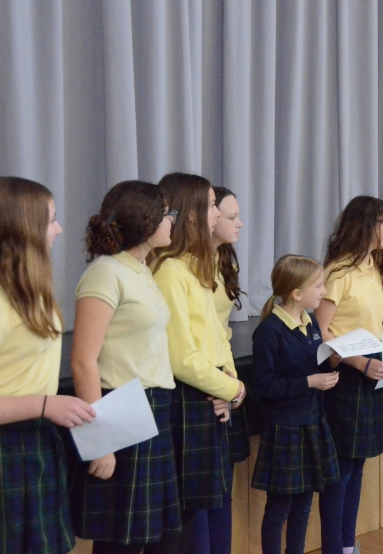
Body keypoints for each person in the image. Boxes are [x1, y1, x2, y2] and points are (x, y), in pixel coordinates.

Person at [0, 176, 95, 553]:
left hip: (33, 442)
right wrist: (44, 404)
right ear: (24, 228)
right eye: (52, 219)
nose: (59, 229)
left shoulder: (27, 292)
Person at [69, 180, 182, 553]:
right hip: (123, 409)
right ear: (146, 219)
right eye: (168, 214)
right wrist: (100, 441)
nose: (172, 221)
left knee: (152, 538)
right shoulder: (106, 272)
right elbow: (84, 361)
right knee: (122, 542)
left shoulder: (140, 268)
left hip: (154, 408)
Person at [313, 195, 383, 554]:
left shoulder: (375, 268)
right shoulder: (338, 272)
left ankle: (347, 544)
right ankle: (335, 547)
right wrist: (360, 363)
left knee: (357, 466)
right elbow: (323, 331)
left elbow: (375, 326)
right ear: (367, 225)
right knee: (342, 469)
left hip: (372, 374)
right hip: (346, 377)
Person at [152, 173, 247, 554]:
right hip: (191, 400)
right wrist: (230, 388)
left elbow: (216, 337)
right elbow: (182, 356)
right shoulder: (170, 270)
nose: (215, 214)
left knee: (217, 504)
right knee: (193, 519)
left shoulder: (195, 265)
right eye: (210, 206)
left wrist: (233, 384)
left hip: (211, 398)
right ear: (190, 216)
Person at [251, 255, 340, 554]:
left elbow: (314, 363)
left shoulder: (311, 321)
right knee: (280, 507)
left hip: (311, 421)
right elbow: (264, 386)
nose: (324, 291)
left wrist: (329, 372)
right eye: (318, 286)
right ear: (296, 294)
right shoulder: (269, 331)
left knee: (304, 504)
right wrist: (309, 382)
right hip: (285, 428)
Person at [194, 186, 250, 554]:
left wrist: (232, 379)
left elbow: (222, 331)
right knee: (201, 494)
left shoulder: (224, 260)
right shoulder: (184, 266)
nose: (239, 224)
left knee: (223, 487)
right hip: (197, 382)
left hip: (221, 375)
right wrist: (223, 386)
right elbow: (188, 341)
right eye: (229, 216)